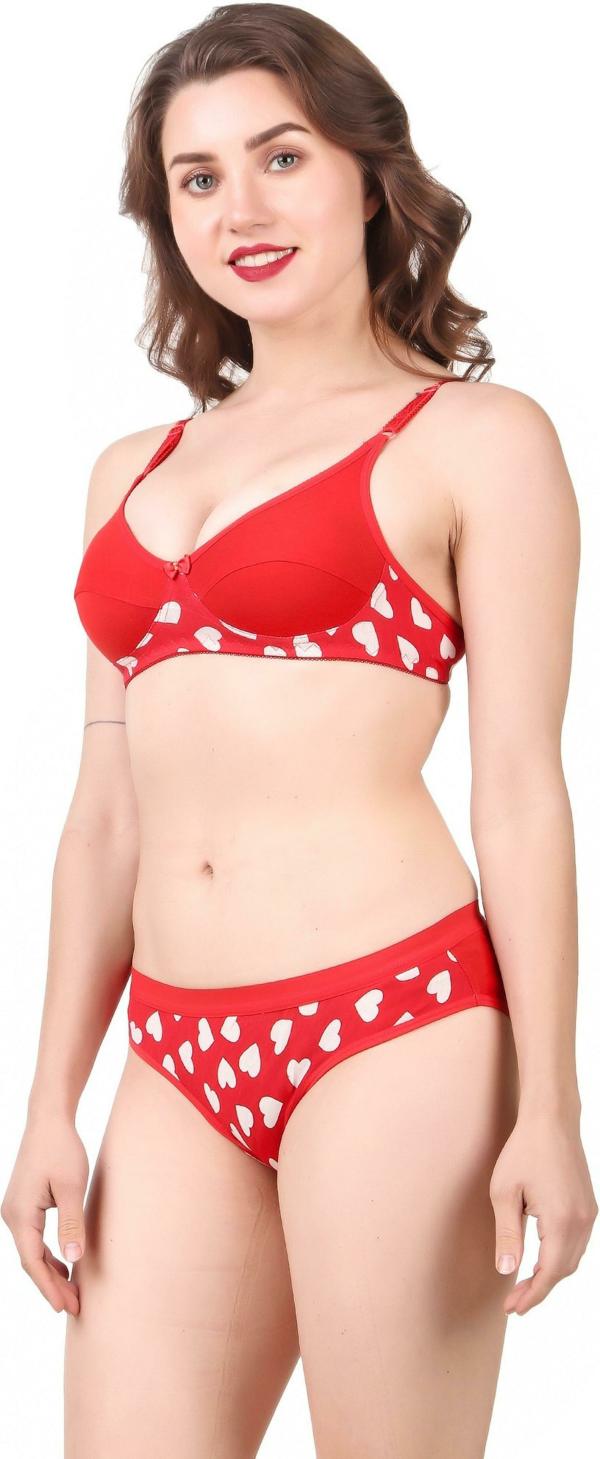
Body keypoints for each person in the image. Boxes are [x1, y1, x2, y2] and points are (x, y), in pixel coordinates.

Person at [2, 6, 597, 1457]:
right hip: (175, 1052)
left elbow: (521, 790)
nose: (240, 210)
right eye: (197, 177)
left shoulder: (478, 439)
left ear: (369, 175)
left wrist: (553, 1108)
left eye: (282, 158)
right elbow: (105, 811)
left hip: (396, 1025)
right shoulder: (129, 469)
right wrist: (50, 1102)